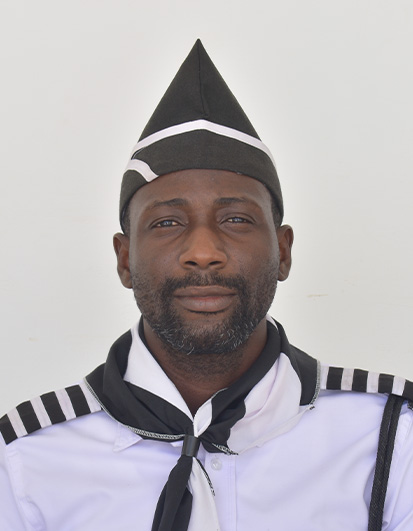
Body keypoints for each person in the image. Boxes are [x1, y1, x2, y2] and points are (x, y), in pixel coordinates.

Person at [1, 40, 412, 531]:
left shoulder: (390, 437)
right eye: (167, 223)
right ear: (125, 259)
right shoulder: (26, 459)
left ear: (282, 251)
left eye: (236, 219)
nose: (203, 251)